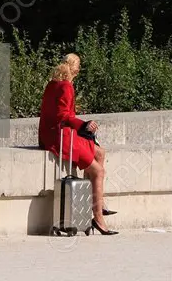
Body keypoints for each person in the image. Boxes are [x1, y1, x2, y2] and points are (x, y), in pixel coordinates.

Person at [38, 52, 118, 236]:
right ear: (73, 67)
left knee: (100, 152)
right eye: (78, 65)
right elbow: (64, 117)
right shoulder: (67, 87)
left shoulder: (53, 84)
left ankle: (98, 201)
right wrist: (84, 125)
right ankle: (98, 218)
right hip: (61, 137)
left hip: (52, 134)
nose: (79, 69)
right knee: (99, 171)